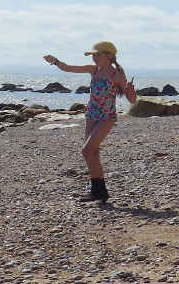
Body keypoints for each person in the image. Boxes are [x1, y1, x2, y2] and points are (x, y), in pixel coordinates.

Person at [43, 41, 135, 203]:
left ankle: (98, 191)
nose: (94, 58)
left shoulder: (118, 75)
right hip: (92, 115)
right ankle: (98, 192)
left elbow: (132, 101)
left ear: (109, 56)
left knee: (87, 150)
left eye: (97, 54)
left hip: (107, 117)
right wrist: (55, 61)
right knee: (93, 153)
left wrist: (131, 91)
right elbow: (68, 68)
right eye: (93, 55)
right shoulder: (94, 70)